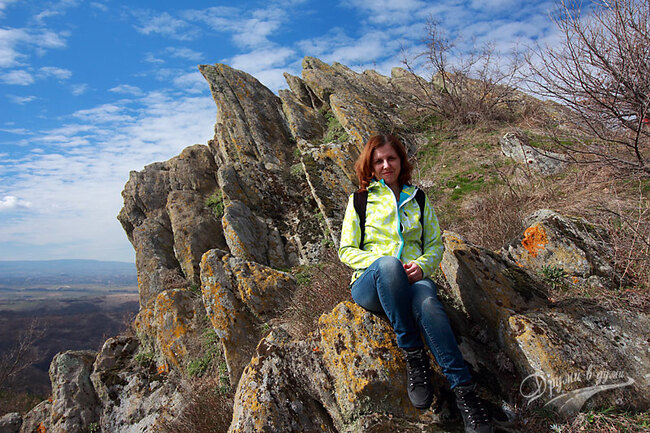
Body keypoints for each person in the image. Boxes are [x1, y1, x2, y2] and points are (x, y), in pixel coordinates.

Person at [338, 134, 492, 433]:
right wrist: (385, 264)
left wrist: (421, 267)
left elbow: (434, 244)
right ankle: (414, 354)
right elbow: (345, 250)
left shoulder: (418, 198)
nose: (386, 165)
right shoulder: (359, 200)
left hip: (415, 281)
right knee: (388, 264)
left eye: (391, 159)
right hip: (371, 284)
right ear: (370, 165)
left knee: (430, 306)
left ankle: (466, 395)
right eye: (378, 160)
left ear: (400, 161)